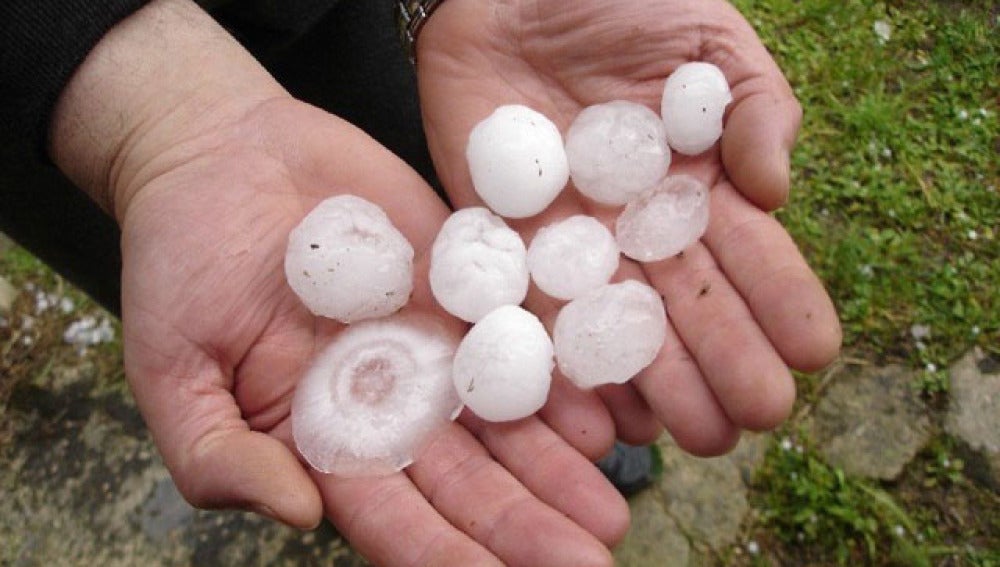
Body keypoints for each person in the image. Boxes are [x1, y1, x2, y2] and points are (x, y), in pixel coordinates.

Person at [0, 0, 842, 564]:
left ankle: (586, 423)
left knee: (421, 159)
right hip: (51, 88)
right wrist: (145, 122)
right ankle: (569, 430)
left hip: (371, 21)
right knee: (272, 306)